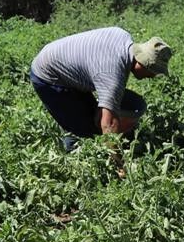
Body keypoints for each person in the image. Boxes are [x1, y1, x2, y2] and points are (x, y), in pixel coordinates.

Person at [29, 27, 172, 152]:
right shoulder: (111, 74)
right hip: (48, 75)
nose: (153, 76)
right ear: (143, 63)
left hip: (64, 65)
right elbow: (108, 125)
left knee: (92, 116)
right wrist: (120, 164)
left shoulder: (123, 37)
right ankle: (71, 163)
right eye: (153, 70)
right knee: (80, 128)